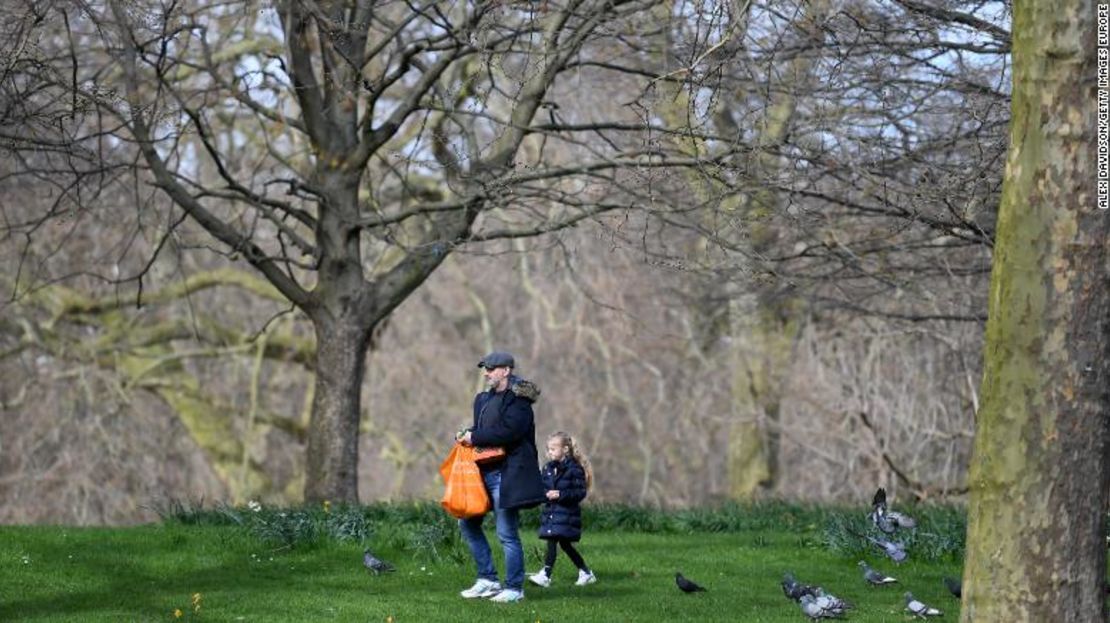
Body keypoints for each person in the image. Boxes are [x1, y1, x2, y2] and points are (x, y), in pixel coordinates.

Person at [456, 351, 545, 603]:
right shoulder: (482, 399)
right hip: (481, 473)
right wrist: (467, 433)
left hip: (507, 475)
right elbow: (482, 431)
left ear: (506, 370)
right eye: (485, 368)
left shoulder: (520, 402)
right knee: (468, 524)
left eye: (491, 368)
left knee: (506, 533)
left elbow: (510, 431)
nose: (486, 373)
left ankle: (514, 589)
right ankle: (488, 580)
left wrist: (476, 437)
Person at [528, 431, 596, 587]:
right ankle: (585, 572)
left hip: (567, 514)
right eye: (548, 449)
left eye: (553, 448)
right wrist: (545, 494)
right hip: (552, 513)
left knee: (553, 541)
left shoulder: (574, 469)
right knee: (565, 545)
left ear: (565, 449)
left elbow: (580, 492)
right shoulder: (548, 469)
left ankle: (545, 575)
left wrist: (560, 494)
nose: (550, 452)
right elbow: (543, 489)